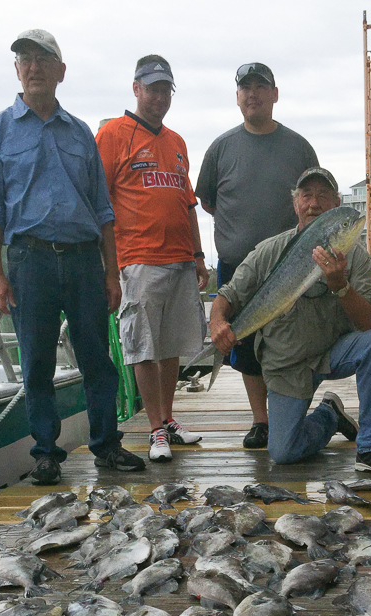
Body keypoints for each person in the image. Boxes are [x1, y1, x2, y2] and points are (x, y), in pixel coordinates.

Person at [0, 29, 145, 485]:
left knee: (97, 358)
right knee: (36, 363)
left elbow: (103, 209)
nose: (33, 67)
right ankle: (46, 453)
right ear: (16, 70)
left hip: (85, 261)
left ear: (61, 72)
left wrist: (113, 273)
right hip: (30, 262)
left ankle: (106, 445)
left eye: (43, 59)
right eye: (25, 59)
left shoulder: (80, 132)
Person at [209, 167, 371, 476]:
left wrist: (341, 285)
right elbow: (228, 294)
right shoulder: (268, 250)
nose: (313, 203)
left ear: (335, 204)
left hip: (332, 353)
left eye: (323, 196)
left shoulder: (355, 256)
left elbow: (370, 323)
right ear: (295, 203)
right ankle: (329, 416)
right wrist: (218, 321)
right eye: (306, 195)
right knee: (284, 452)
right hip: (286, 364)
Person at [195, 62, 319, 450]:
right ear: (237, 97)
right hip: (237, 267)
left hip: (289, 263)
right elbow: (208, 201)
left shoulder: (298, 146)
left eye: (260, 87)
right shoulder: (220, 147)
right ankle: (261, 421)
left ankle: (292, 413)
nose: (253, 94)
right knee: (245, 347)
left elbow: (315, 201)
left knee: (286, 341)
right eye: (245, 88)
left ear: (274, 94)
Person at [96, 56, 207, 463]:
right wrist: (109, 265)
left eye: (166, 90)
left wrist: (198, 255)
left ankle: (169, 418)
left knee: (172, 343)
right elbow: (99, 202)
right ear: (136, 88)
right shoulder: (112, 134)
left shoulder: (176, 142)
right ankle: (154, 429)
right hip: (138, 258)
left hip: (180, 258)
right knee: (143, 346)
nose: (159, 96)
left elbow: (189, 203)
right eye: (153, 88)